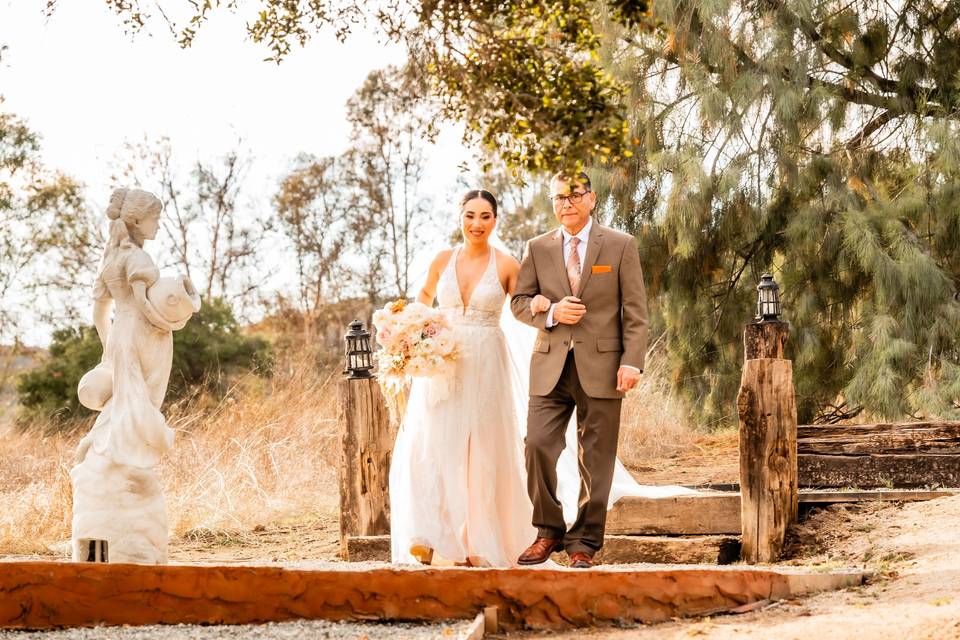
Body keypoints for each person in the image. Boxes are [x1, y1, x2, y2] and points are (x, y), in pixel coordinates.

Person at [389, 189, 536, 567]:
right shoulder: (441, 259)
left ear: (495, 221)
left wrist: (543, 306)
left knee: (482, 449)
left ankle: (477, 540)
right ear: (459, 217)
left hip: (487, 360)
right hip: (443, 360)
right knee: (435, 441)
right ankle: (430, 533)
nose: (476, 224)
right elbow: (422, 300)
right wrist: (408, 333)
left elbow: (521, 311)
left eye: (485, 216)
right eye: (470, 215)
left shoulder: (506, 264)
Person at [510, 171, 648, 569]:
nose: (565, 203)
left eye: (574, 195)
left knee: (597, 457)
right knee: (536, 445)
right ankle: (548, 530)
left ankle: (584, 542)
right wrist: (551, 312)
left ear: (591, 199)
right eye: (558, 197)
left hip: (604, 366)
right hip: (550, 364)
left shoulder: (621, 245)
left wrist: (632, 360)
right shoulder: (537, 248)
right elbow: (519, 302)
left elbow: (635, 311)